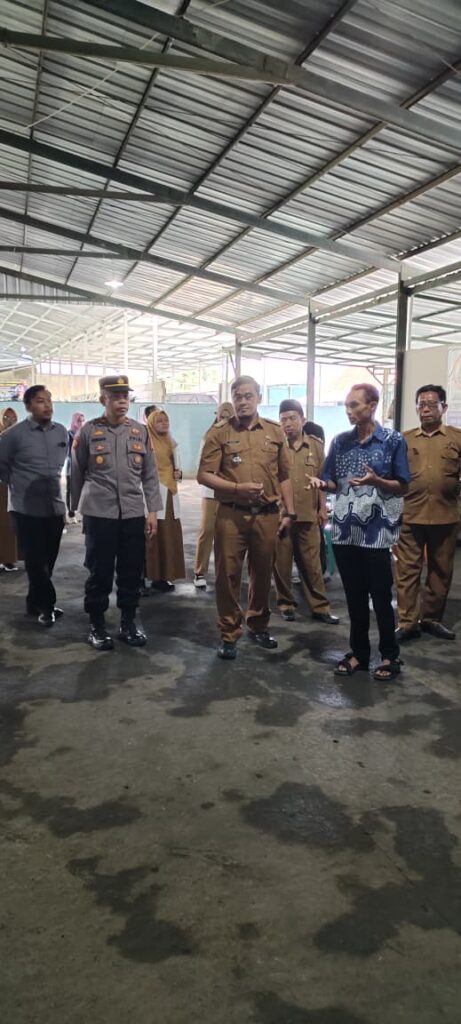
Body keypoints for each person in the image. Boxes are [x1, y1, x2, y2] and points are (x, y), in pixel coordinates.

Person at [307, 383, 411, 681]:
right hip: (345, 531)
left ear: (372, 405)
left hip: (377, 534)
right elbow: (332, 482)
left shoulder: (392, 441)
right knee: (354, 597)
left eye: (354, 405)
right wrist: (321, 484)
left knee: (381, 597)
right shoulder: (340, 442)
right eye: (347, 406)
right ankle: (359, 654)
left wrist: (377, 481)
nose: (349, 411)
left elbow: (403, 485)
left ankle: (390, 656)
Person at [197, 375, 296, 660]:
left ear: (259, 398)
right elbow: (204, 475)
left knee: (262, 574)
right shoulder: (220, 432)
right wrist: (237, 489)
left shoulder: (274, 432)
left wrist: (290, 512)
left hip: (267, 516)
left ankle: (258, 624)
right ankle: (229, 633)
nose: (242, 401)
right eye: (237, 396)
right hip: (231, 515)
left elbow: (285, 475)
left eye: (248, 396)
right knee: (227, 575)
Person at [71, 375, 162, 651]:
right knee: (99, 571)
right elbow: (77, 471)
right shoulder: (88, 431)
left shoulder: (139, 431)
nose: (122, 401)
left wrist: (152, 511)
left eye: (125, 396)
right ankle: (97, 624)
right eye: (115, 396)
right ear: (103, 400)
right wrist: (77, 509)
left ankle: (128, 622)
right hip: (99, 513)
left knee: (131, 571)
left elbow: (150, 474)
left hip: (133, 512)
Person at [395, 385, 461, 642]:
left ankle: (432, 619)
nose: (425, 409)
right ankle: (408, 622)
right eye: (421, 404)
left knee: (441, 570)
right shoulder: (404, 440)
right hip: (411, 515)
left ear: (444, 407)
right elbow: (394, 476)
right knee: (407, 571)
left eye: (432, 404)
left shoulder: (456, 438)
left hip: (446, 515)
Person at [0, 386, 68, 626]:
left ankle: (33, 602)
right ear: (28, 406)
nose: (47, 405)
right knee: (35, 562)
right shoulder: (13, 436)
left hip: (55, 508)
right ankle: (47, 606)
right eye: (40, 401)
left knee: (47, 562)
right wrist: (19, 485)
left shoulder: (61, 432)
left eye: (49, 400)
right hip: (26, 511)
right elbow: (2, 467)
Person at [273, 400, 339, 625]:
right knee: (282, 564)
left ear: (303, 420)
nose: (288, 424)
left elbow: (321, 479)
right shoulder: (275, 446)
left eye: (292, 418)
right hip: (282, 517)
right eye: (283, 420)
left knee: (313, 566)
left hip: (309, 515)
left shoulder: (316, 447)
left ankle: (320, 607)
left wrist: (322, 507)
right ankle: (286, 604)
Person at [193, 401, 234, 589]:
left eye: (228, 416)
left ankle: (225, 572)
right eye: (221, 415)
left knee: (228, 534)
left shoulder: (238, 437)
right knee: (207, 530)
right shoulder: (209, 437)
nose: (224, 419)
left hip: (232, 493)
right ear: (216, 416)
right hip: (211, 493)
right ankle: (199, 572)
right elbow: (201, 466)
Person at [144, 409, 185, 592]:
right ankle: (140, 579)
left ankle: (161, 577)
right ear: (151, 423)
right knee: (150, 536)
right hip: (150, 493)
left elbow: (176, 466)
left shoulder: (170, 441)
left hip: (169, 492)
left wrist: (179, 474)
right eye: (159, 420)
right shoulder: (146, 441)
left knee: (167, 535)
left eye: (166, 420)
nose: (164, 423)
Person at [0, 407, 19, 571]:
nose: (9, 420)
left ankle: (10, 557)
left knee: (11, 524)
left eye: (12, 417)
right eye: (6, 417)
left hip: (14, 487)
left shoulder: (18, 437)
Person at [66, 411, 85, 523]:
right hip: (72, 467)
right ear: (74, 421)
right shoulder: (69, 434)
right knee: (71, 490)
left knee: (84, 490)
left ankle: (83, 513)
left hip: (83, 467)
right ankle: (71, 513)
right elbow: (68, 451)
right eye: (79, 421)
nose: (81, 423)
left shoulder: (85, 434)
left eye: (82, 420)